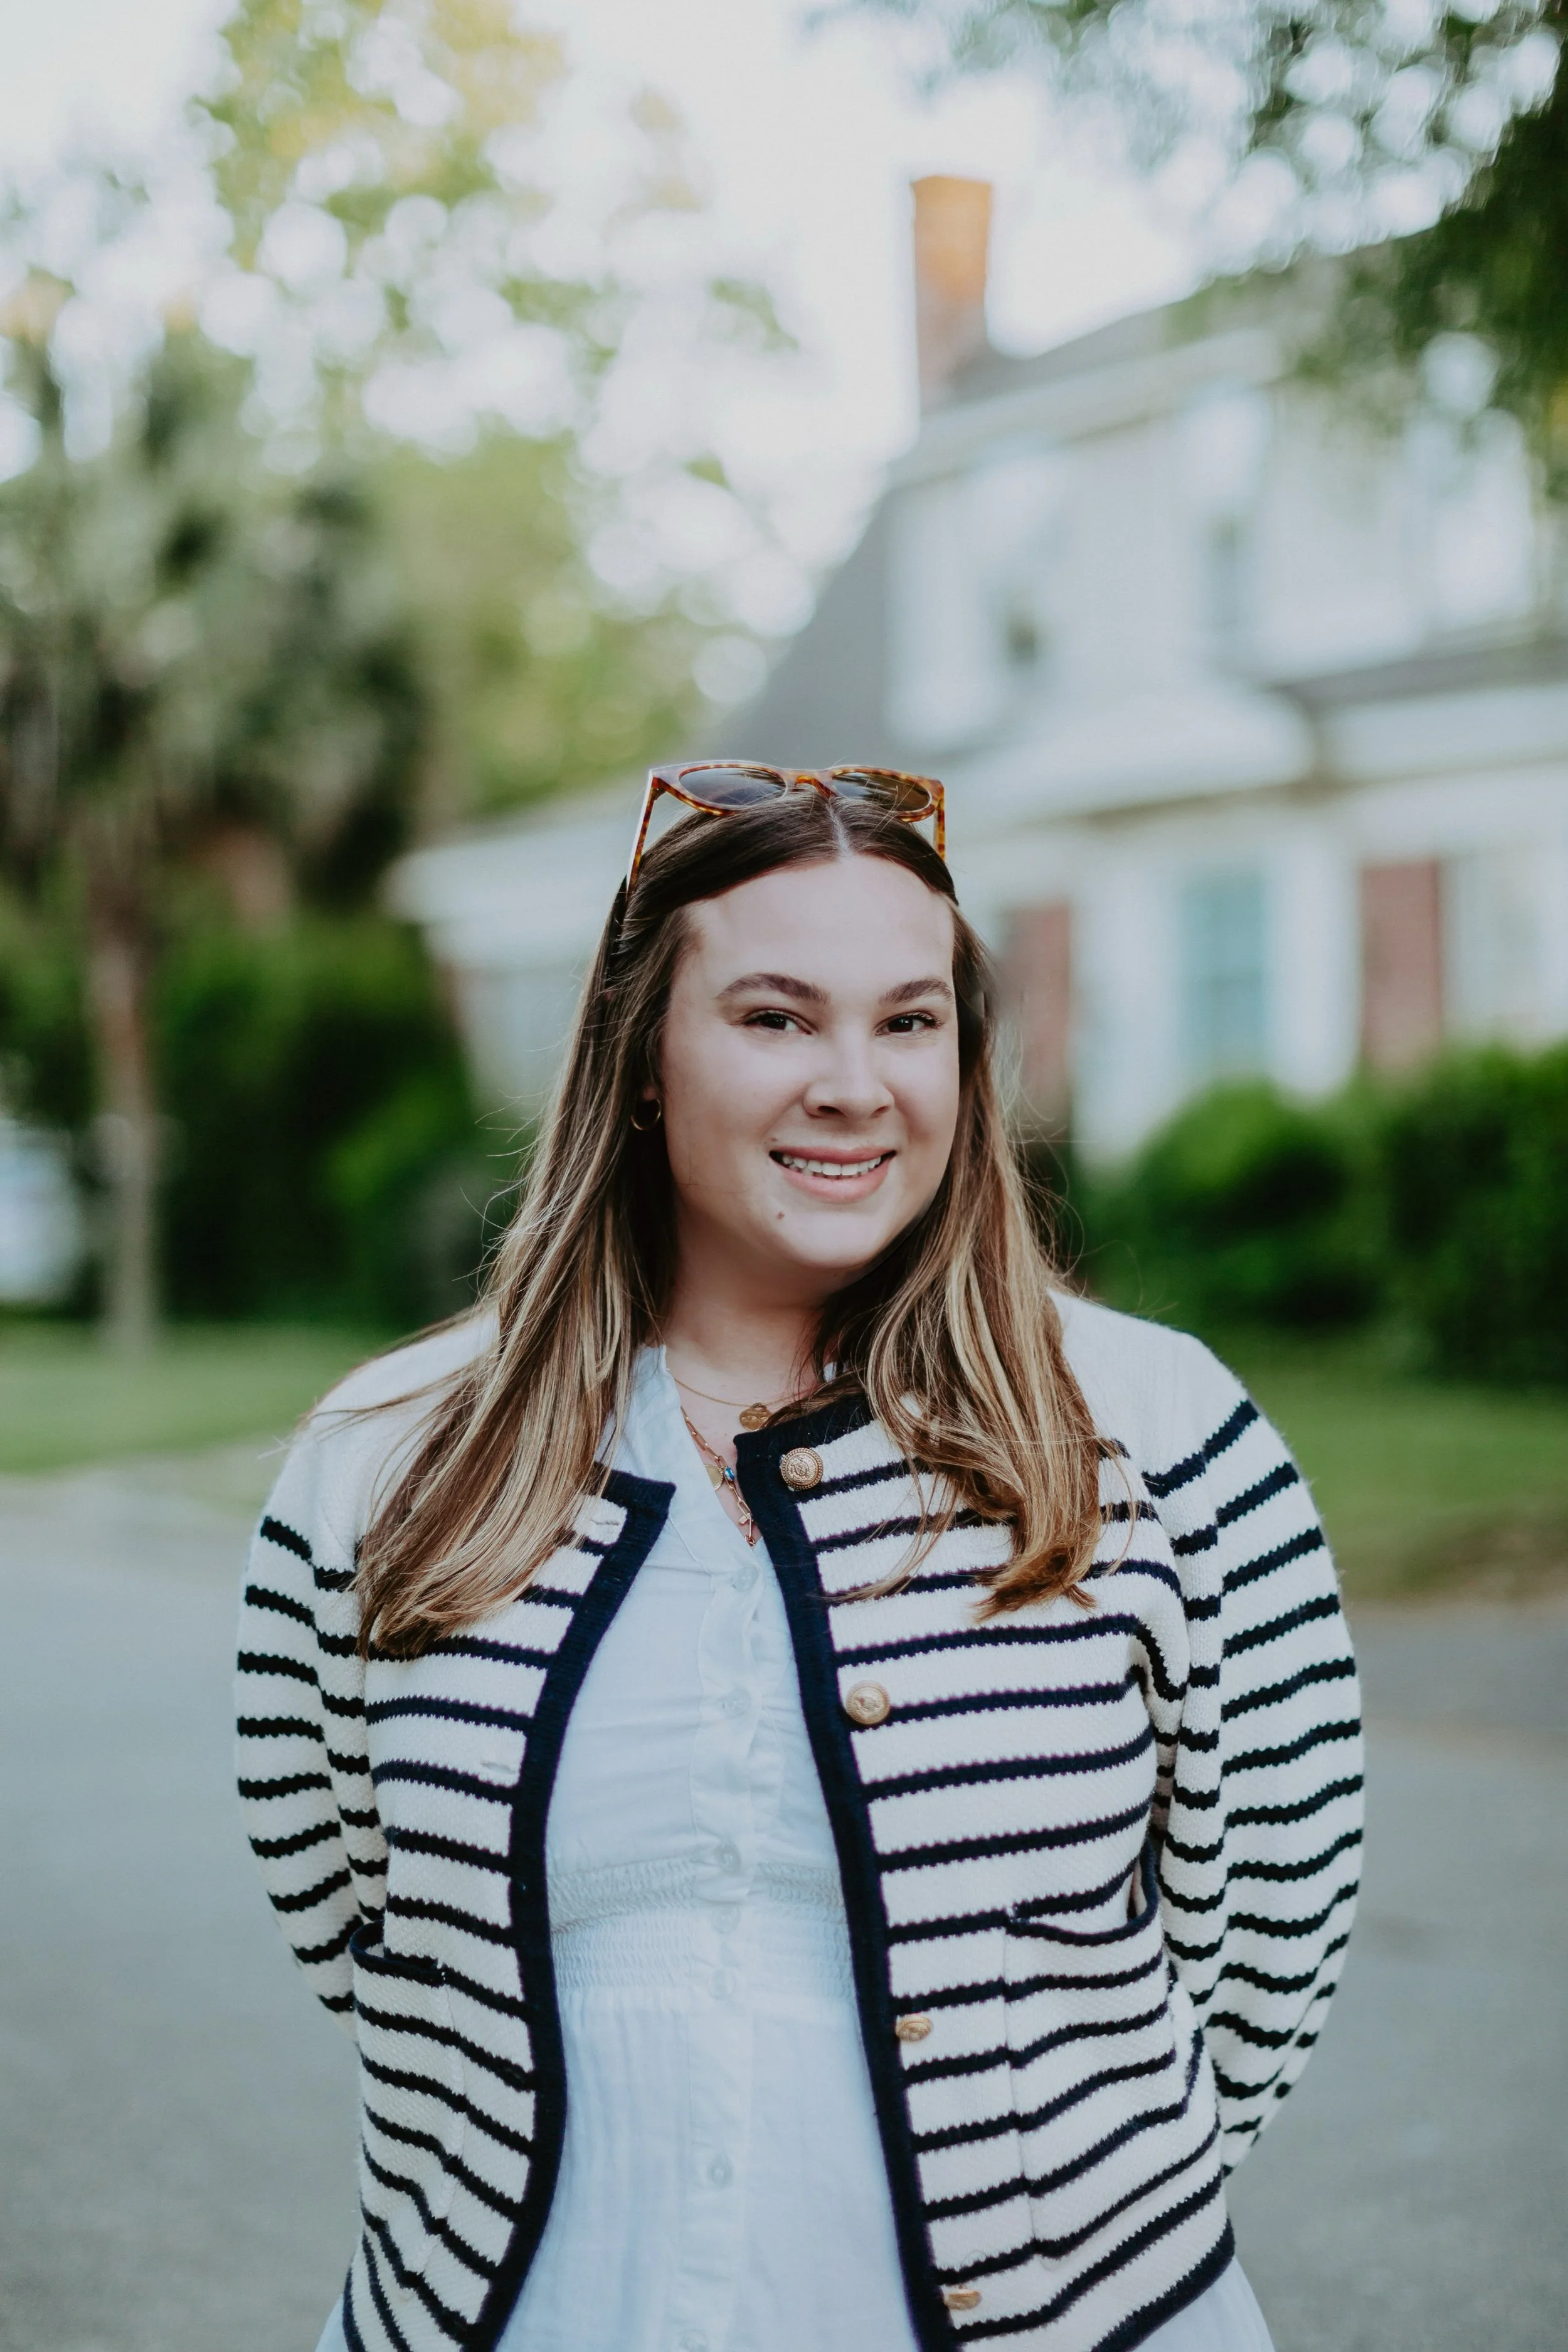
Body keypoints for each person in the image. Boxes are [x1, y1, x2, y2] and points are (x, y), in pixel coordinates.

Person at [237, 765, 1363, 2352]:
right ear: (641, 1061)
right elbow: (347, 1909)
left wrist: (1088, 2208)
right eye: (774, 1019)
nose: (854, 1083)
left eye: (908, 1021)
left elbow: (1267, 1935)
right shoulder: (385, 1455)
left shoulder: (1162, 1430)